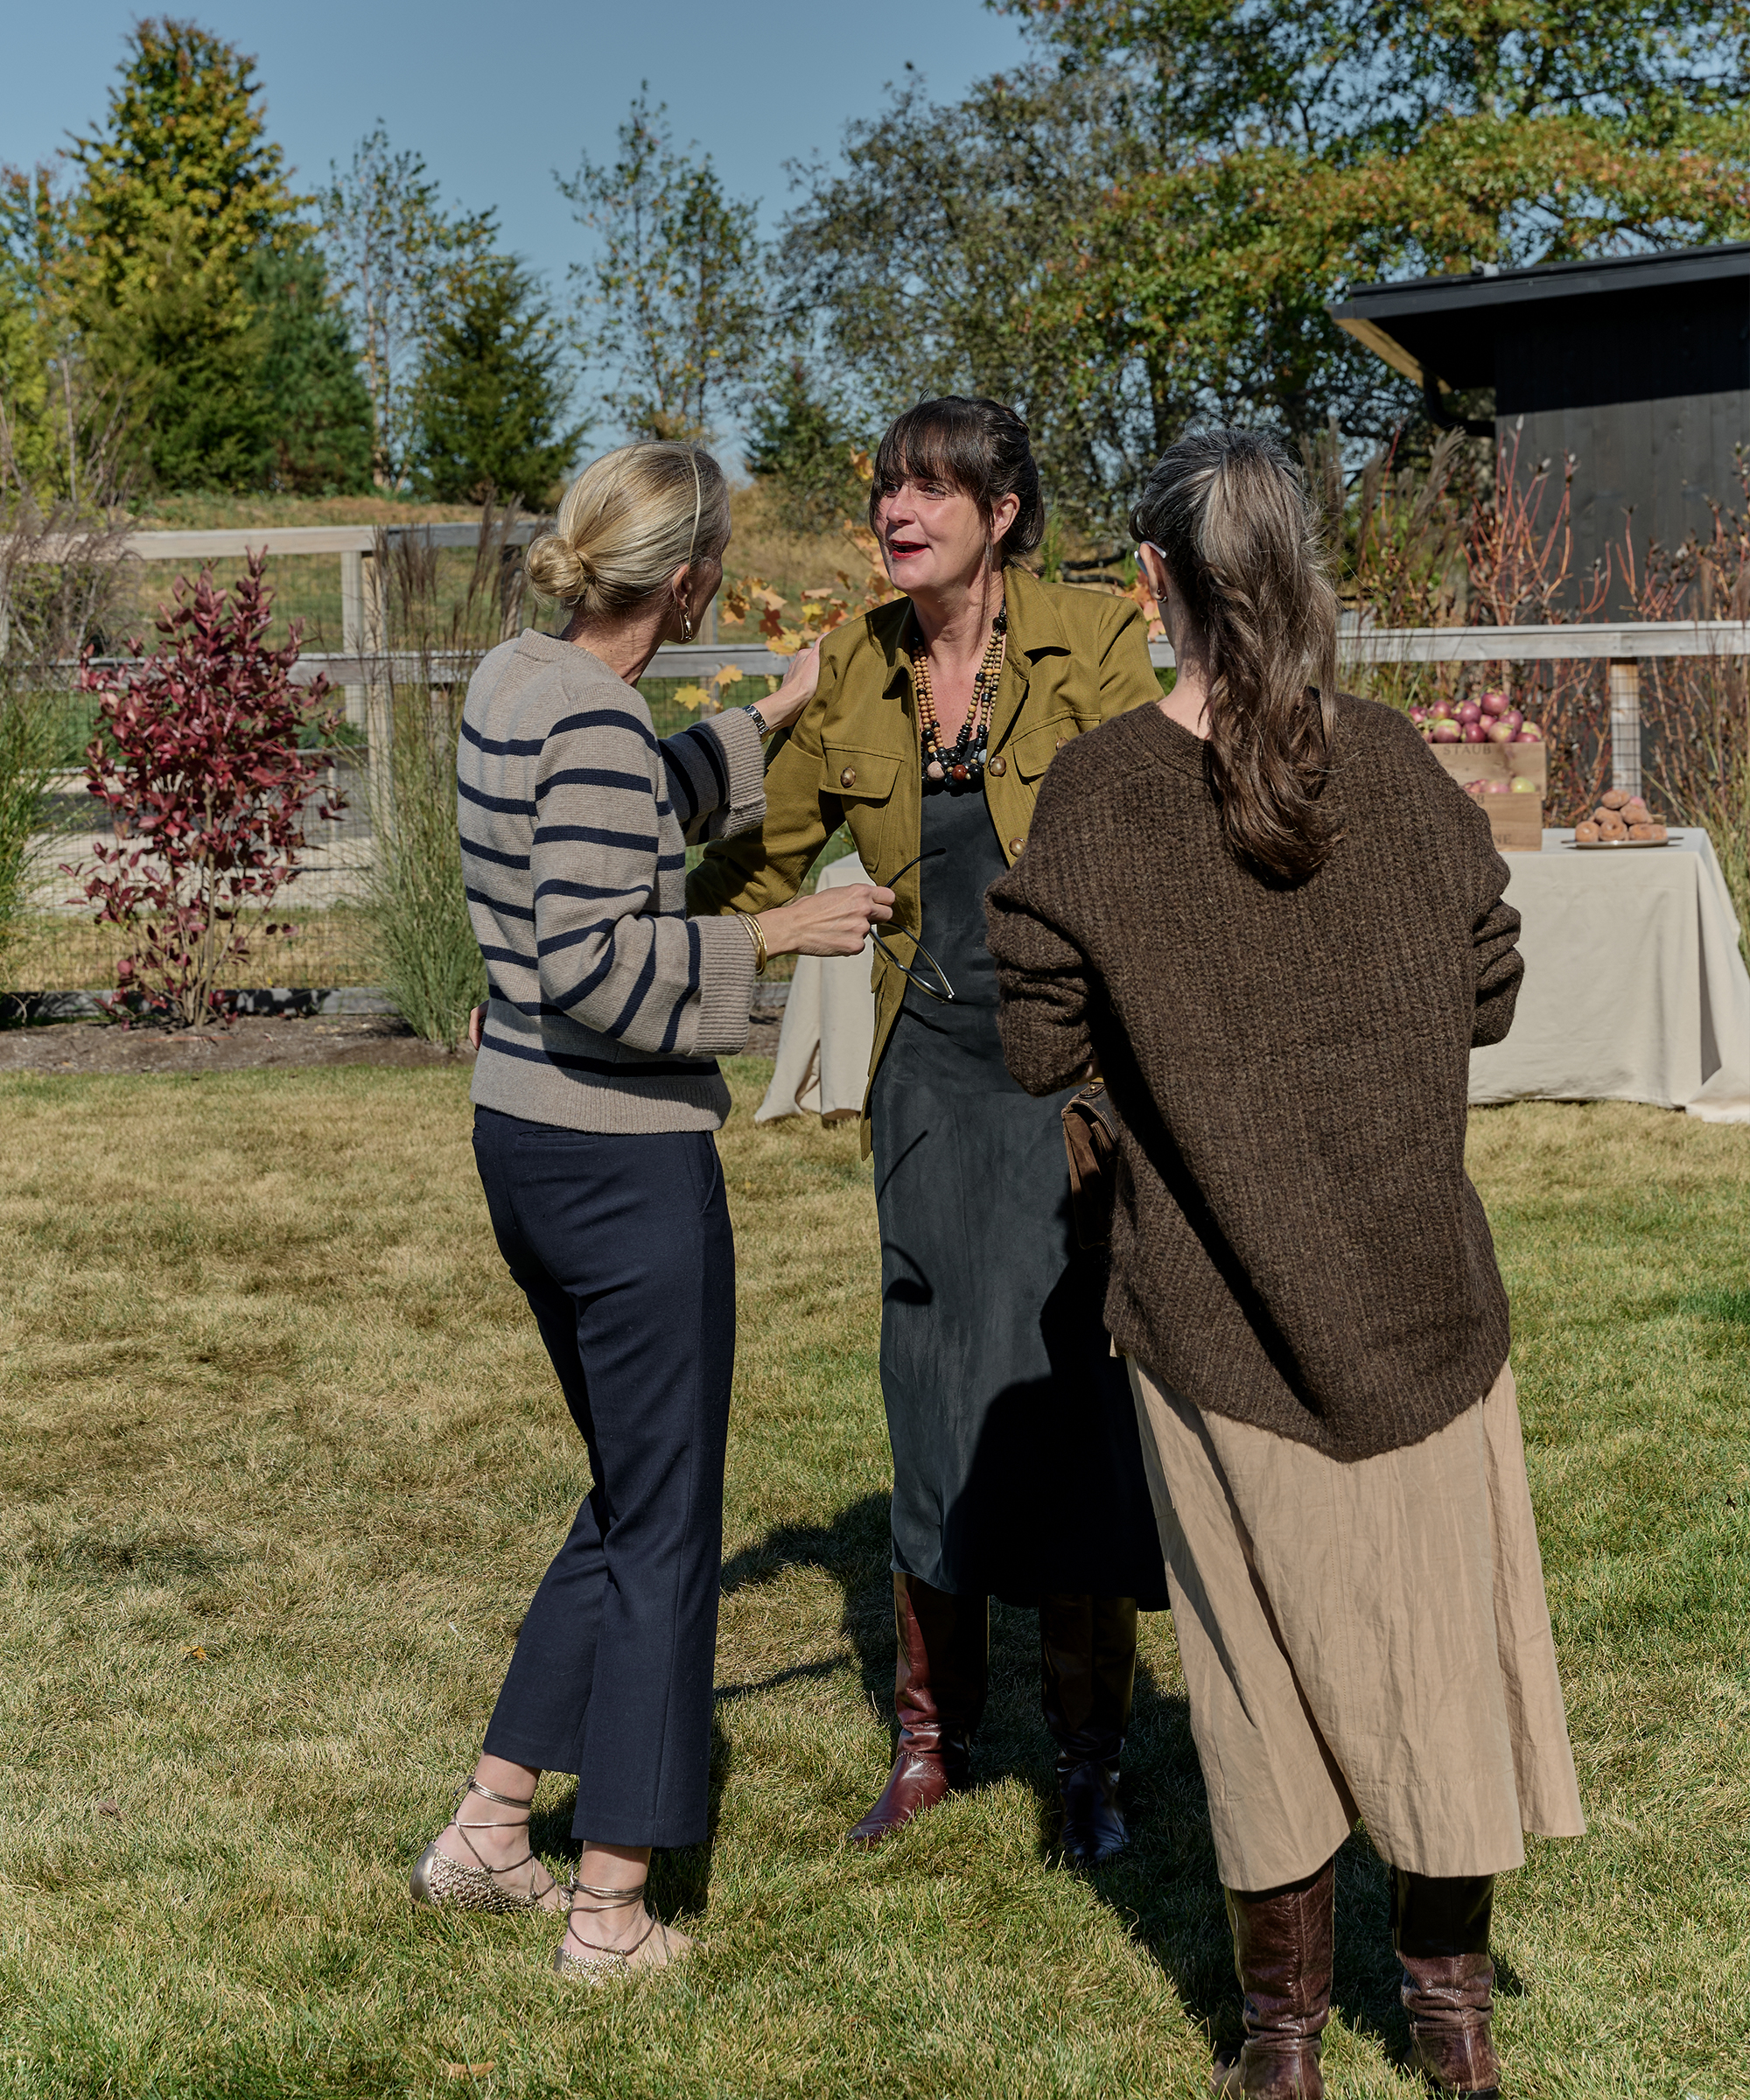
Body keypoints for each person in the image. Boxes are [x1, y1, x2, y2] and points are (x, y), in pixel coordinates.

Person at [985, 428, 1585, 2096]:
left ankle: (1283, 2051)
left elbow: (1038, 1045)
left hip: (1215, 1313)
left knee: (1258, 1690)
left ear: (1158, 580)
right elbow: (1488, 980)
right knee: (1436, 1664)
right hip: (1422, 1300)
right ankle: (1451, 2030)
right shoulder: (1392, 760)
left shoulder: (1100, 794)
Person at [410, 440, 893, 1982]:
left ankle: (490, 1834)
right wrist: (785, 939)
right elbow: (599, 967)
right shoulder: (602, 726)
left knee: (627, 1488)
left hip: (522, 1147)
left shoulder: (517, 679)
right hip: (621, 1165)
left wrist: (763, 720)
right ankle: (611, 1909)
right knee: (669, 1522)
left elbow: (609, 813)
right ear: (687, 582)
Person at [688, 396, 1169, 1867]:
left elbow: (1148, 823)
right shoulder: (854, 666)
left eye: (932, 491)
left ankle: (1091, 1757)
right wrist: (612, 949)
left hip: (1073, 1084)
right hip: (929, 1079)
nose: (899, 511)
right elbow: (760, 852)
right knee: (930, 1394)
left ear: (1002, 513)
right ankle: (930, 1740)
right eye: (889, 489)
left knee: (1076, 1392)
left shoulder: (1091, 640)